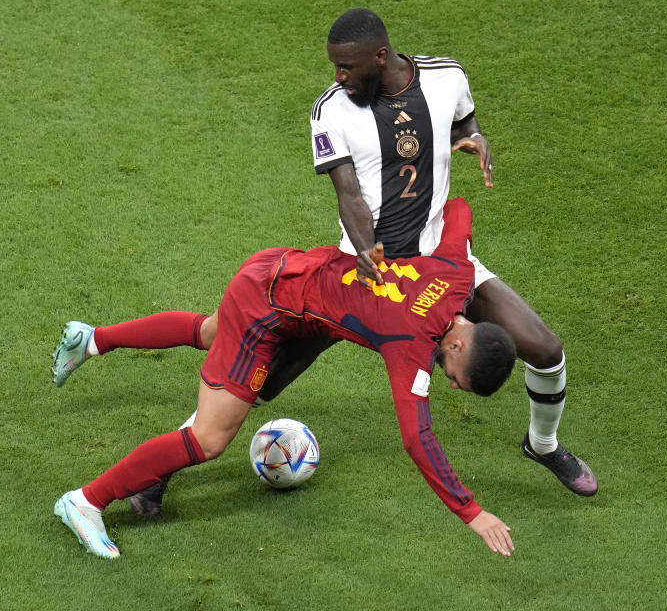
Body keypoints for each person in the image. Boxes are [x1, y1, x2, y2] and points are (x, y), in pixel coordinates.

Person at [52, 198, 518, 559]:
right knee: (209, 437)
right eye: (459, 379)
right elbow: (418, 439)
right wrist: (472, 513)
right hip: (266, 311)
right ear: (458, 346)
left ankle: (91, 340)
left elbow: (456, 211)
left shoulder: (457, 271)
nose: (452, 386)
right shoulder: (412, 345)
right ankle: (85, 502)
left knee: (209, 331)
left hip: (279, 266)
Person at [310, 8, 597, 495]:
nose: (338, 77)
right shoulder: (331, 109)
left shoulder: (446, 76)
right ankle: (185, 448)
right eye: (335, 66)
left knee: (546, 350)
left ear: (381, 57)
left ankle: (542, 445)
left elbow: (463, 120)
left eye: (347, 67)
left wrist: (474, 137)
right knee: (271, 369)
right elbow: (349, 194)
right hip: (372, 273)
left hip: (445, 262)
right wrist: (364, 250)